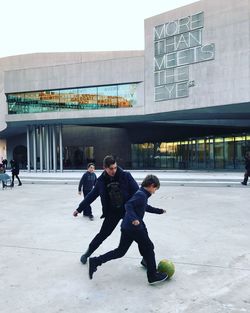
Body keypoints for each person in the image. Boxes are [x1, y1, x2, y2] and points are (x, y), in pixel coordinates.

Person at [88, 174, 168, 285]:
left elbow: (144, 207)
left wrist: (159, 211)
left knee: (120, 251)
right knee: (149, 247)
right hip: (134, 228)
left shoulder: (141, 194)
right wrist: (134, 218)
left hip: (126, 227)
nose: (155, 191)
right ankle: (152, 275)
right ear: (151, 185)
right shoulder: (141, 195)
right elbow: (128, 205)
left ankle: (96, 261)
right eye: (155, 188)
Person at [73, 155, 139, 264]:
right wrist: (79, 209)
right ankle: (88, 253)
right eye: (111, 168)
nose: (114, 170)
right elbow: (91, 196)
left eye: (115, 168)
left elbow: (137, 192)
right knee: (103, 234)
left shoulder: (125, 176)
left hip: (128, 211)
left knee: (139, 233)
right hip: (112, 212)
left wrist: (137, 209)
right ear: (105, 168)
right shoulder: (101, 181)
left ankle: (146, 259)